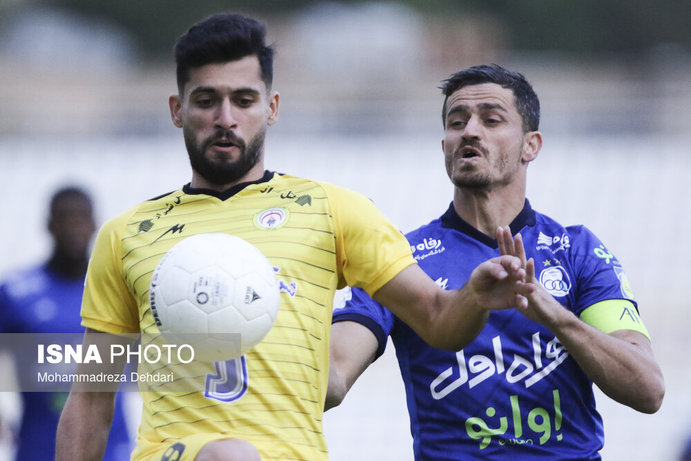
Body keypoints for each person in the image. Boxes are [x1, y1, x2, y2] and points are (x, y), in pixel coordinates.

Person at [54, 15, 530, 461]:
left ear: (272, 107)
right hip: (176, 452)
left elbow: (438, 321)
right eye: (206, 100)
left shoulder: (333, 211)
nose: (225, 118)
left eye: (244, 100)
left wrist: (474, 296)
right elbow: (91, 395)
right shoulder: (127, 234)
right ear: (178, 110)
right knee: (228, 455)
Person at [327, 64, 665, 460]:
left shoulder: (576, 251)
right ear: (445, 146)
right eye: (457, 122)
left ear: (530, 146)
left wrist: (553, 315)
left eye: (491, 120)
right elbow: (333, 378)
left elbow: (648, 390)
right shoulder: (401, 258)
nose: (470, 131)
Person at [0, 186, 132, 460]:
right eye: (65, 219)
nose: (74, 228)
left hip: (112, 450)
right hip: (39, 449)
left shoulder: (121, 289)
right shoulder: (16, 293)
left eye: (82, 219)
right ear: (50, 226)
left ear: (94, 225)